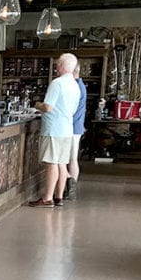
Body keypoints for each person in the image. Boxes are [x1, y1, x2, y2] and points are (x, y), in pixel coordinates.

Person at [29, 53, 81, 208]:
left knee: (51, 163)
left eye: (58, 64)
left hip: (53, 129)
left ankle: (47, 198)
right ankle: (59, 197)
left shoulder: (57, 83)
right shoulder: (75, 85)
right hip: (66, 128)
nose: (56, 67)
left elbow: (48, 107)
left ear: (62, 66)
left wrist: (37, 104)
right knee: (62, 163)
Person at [66, 64, 87, 200]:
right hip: (77, 127)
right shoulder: (80, 85)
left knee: (68, 160)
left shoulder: (74, 87)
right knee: (72, 159)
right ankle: (70, 187)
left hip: (71, 127)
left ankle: (70, 186)